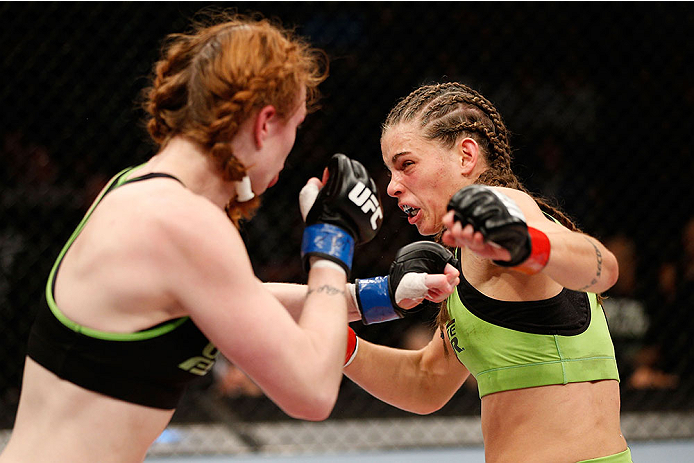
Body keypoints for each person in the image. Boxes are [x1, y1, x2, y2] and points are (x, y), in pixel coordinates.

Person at [0, 12, 390, 463]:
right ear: (265, 124)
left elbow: (239, 299)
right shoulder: (182, 222)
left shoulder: (139, 188)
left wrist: (379, 296)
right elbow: (312, 392)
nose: (295, 144)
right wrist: (332, 242)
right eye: (295, 126)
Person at [342, 82, 632, 462]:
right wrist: (333, 338)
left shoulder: (504, 207)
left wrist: (527, 244)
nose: (393, 187)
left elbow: (603, 268)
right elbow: (426, 382)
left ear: (466, 156)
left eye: (407, 165)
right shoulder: (469, 255)